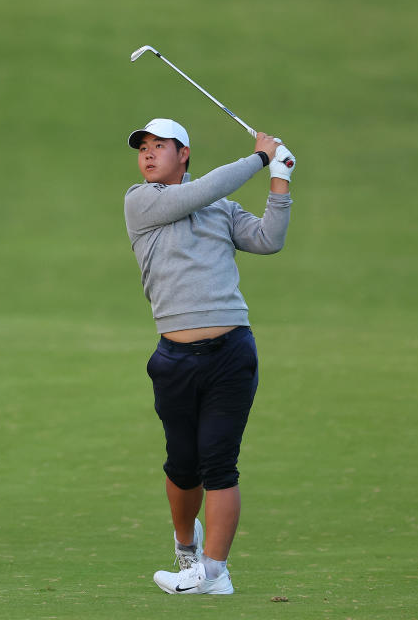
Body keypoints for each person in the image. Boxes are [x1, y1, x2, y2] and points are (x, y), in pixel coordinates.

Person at [123, 118, 296, 595]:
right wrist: (260, 158)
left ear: (185, 154)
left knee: (220, 462)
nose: (149, 154)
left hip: (231, 353)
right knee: (182, 465)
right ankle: (186, 547)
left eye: (161, 146)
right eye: (144, 148)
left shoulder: (221, 207)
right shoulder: (141, 201)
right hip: (174, 358)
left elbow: (268, 239)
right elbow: (194, 196)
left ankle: (214, 572)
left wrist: (280, 180)